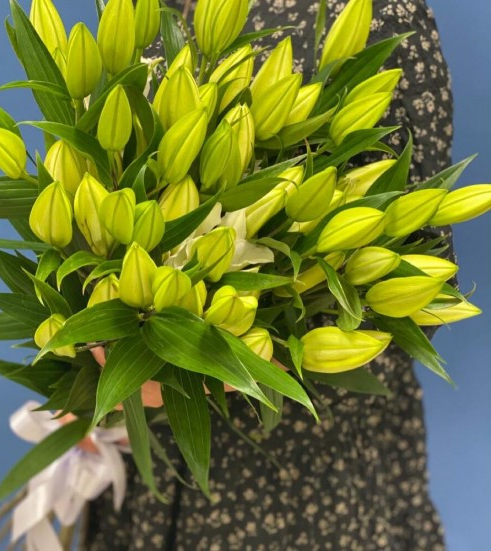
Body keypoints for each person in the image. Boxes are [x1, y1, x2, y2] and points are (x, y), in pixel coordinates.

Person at [82, 1, 454, 549]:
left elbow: (418, 281)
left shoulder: (382, 16)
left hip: (297, 479)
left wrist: (199, 361)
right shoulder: (152, 9)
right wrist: (88, 359)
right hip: (143, 460)